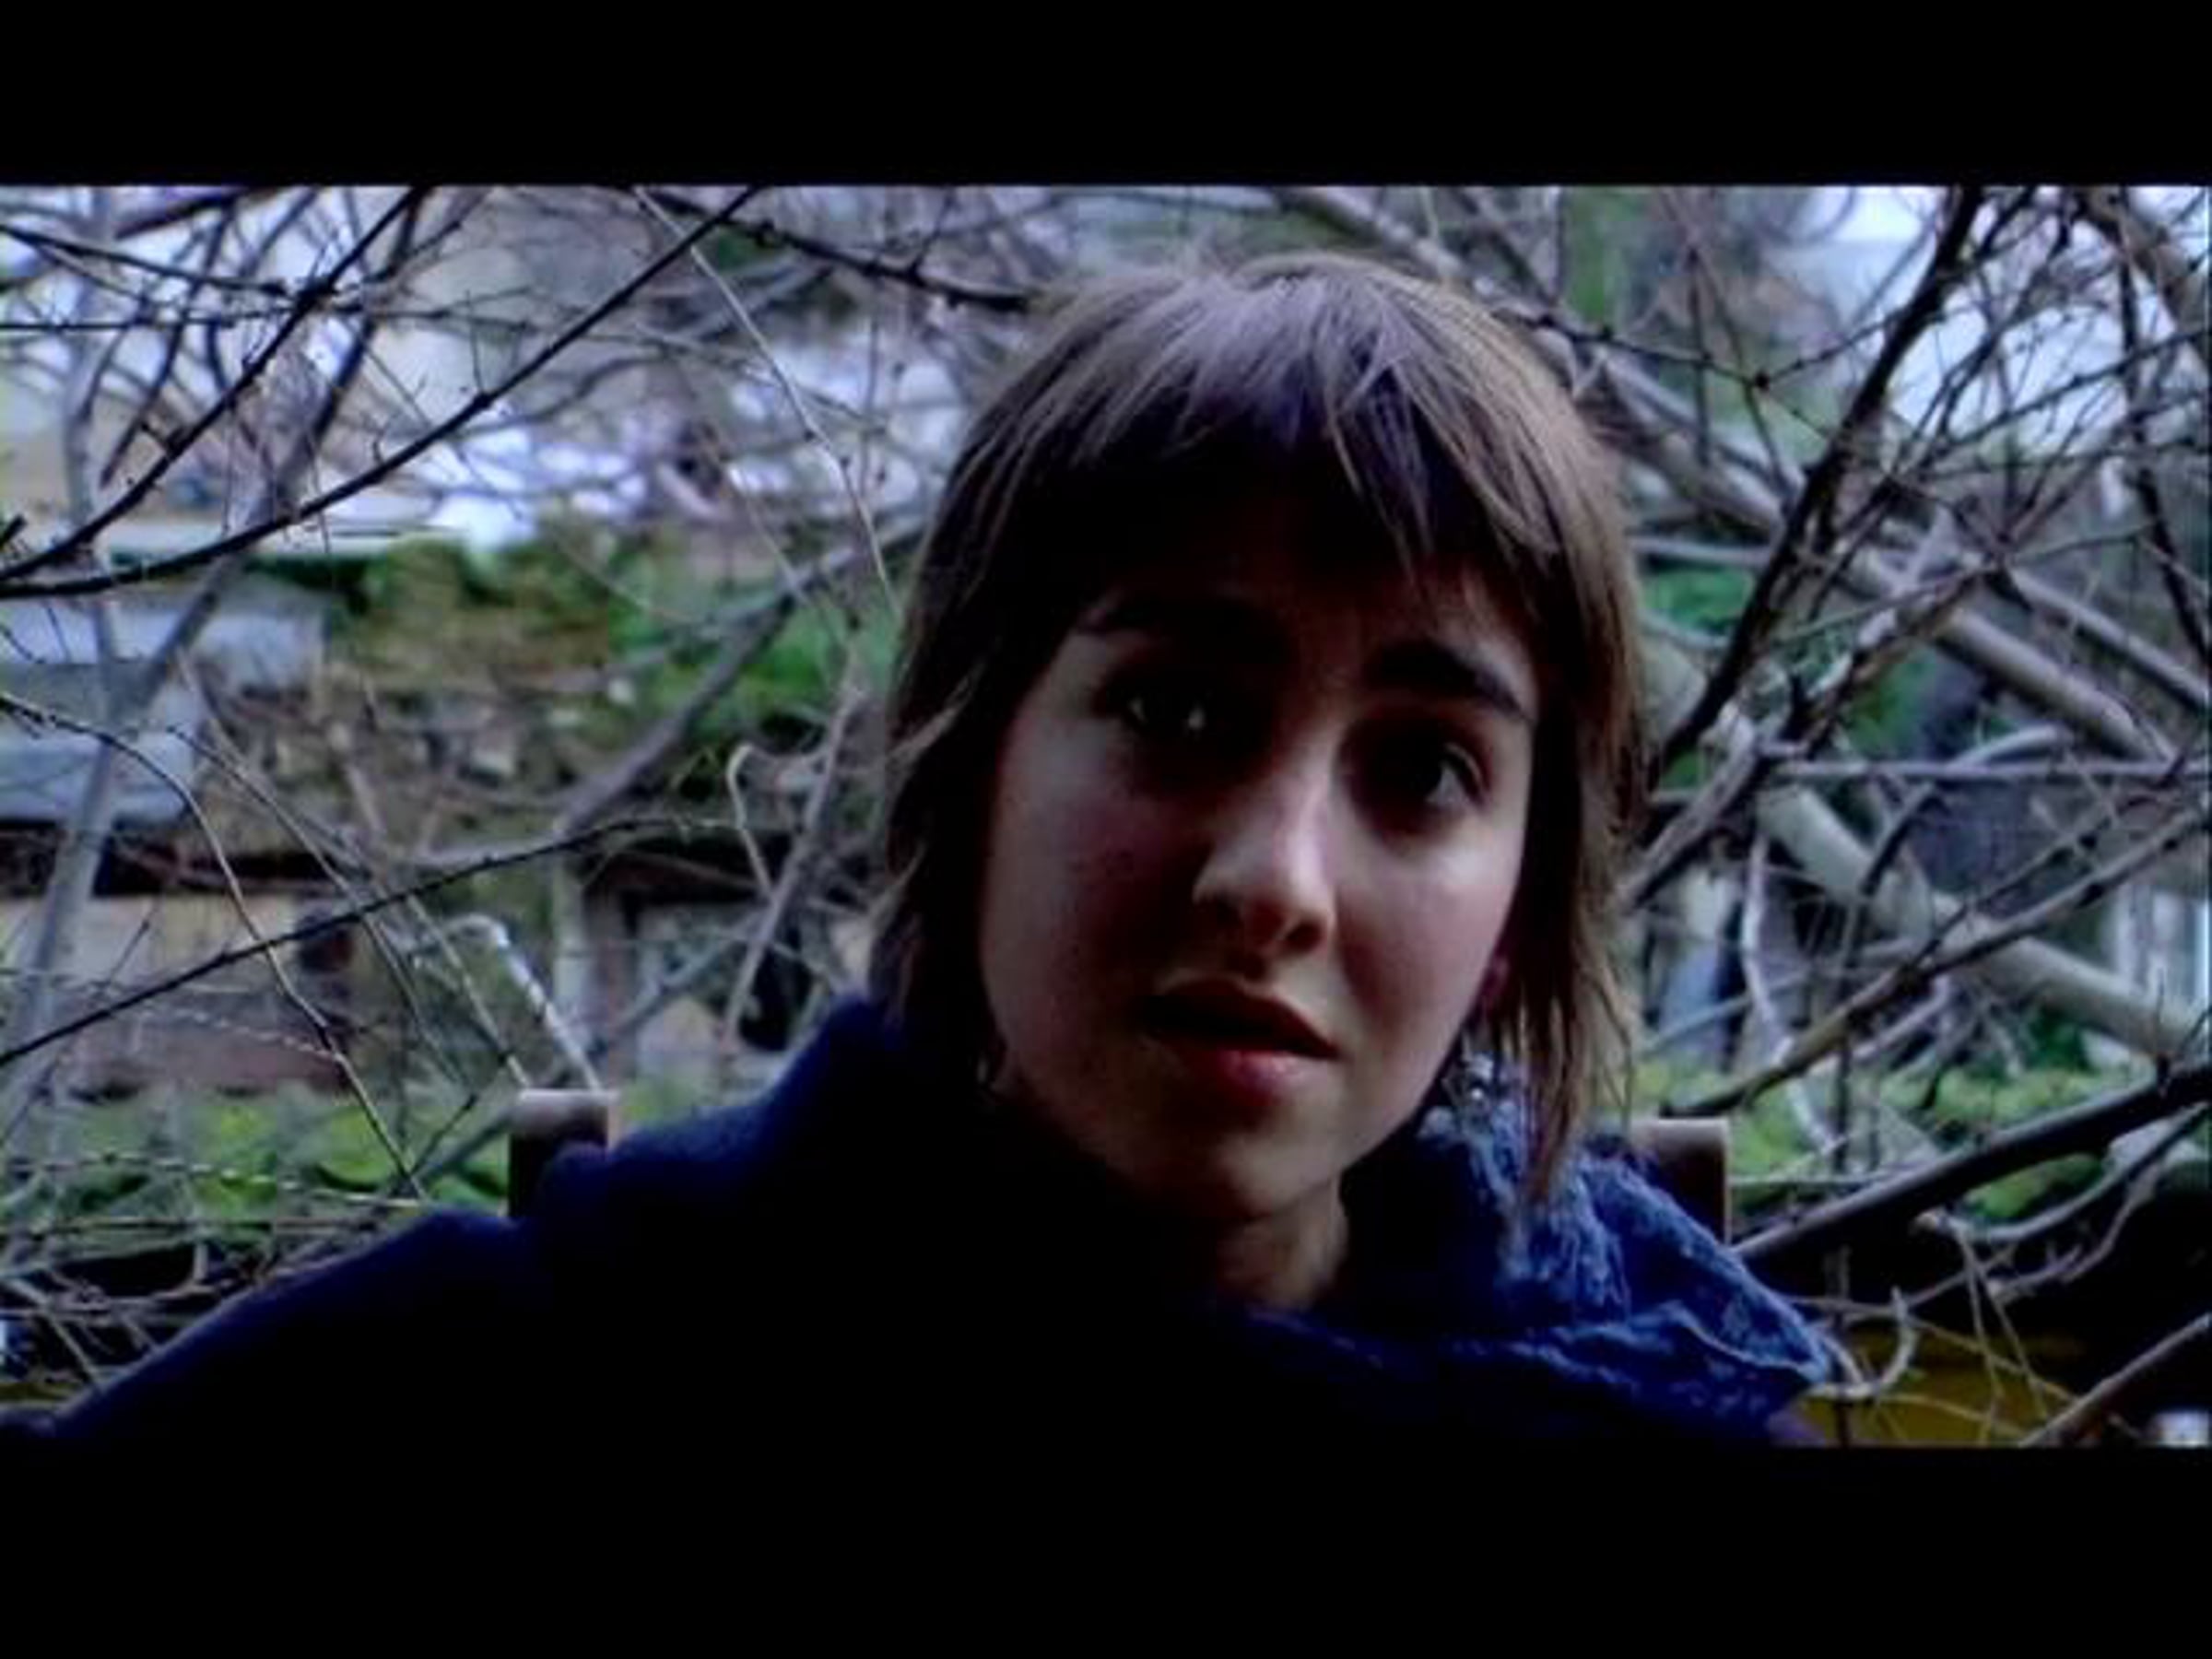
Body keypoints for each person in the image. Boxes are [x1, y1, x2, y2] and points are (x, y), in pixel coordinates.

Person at [6, 252, 1826, 1485]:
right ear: (973, 766)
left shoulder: (1639, 1393)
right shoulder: (518, 1381)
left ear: (1516, 917)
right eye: (1180, 711)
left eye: (1423, 769)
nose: (1277, 881)